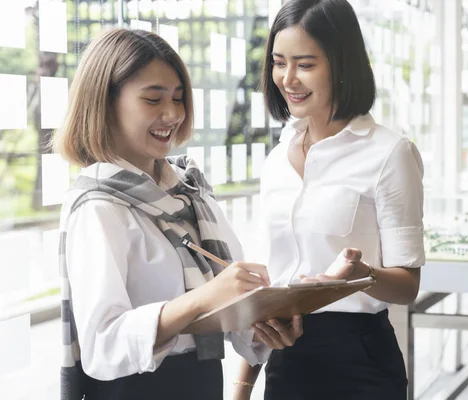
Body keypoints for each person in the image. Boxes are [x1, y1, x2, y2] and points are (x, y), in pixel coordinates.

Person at [53, 28, 302, 400]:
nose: (171, 114)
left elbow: (229, 303)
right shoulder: (98, 207)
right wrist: (203, 299)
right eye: (153, 99)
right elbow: (102, 346)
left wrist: (266, 323)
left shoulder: (189, 192)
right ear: (105, 103)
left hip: (200, 384)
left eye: (179, 98)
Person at [233, 0, 425, 399]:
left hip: (360, 361)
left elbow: (407, 286)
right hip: (285, 359)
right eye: (278, 62)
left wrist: (359, 277)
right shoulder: (276, 160)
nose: (288, 79)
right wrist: (241, 387)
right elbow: (266, 288)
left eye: (305, 64)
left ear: (341, 65)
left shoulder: (390, 153)